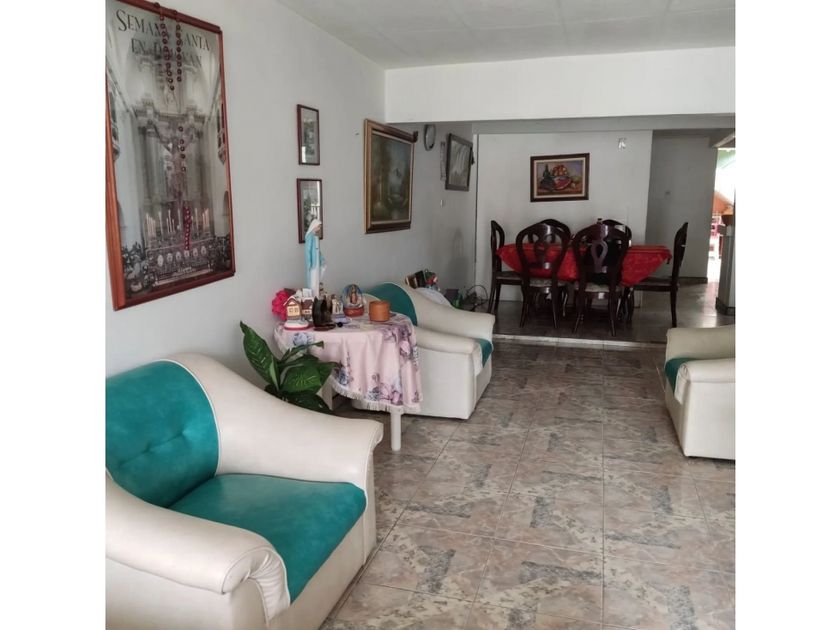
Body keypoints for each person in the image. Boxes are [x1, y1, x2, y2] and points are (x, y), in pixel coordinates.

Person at [304, 219, 325, 297]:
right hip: (313, 262)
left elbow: (318, 250)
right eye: (318, 227)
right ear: (314, 226)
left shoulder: (315, 236)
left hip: (317, 261)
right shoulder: (309, 236)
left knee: (316, 279)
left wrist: (322, 259)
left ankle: (316, 296)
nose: (319, 228)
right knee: (313, 280)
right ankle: (313, 297)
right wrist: (309, 262)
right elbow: (308, 250)